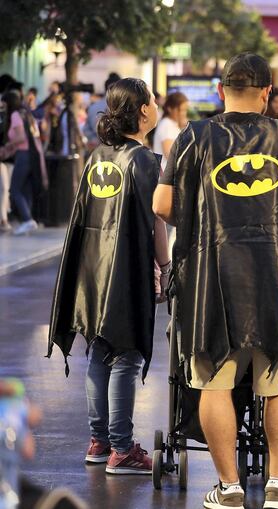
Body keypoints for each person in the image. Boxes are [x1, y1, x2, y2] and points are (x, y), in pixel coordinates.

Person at [153, 52, 278, 509]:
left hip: (211, 282)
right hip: (274, 281)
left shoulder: (194, 136)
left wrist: (205, 216)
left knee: (213, 382)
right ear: (268, 94)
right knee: (277, 383)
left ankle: (228, 489)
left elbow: (162, 203)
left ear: (219, 90)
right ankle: (277, 484)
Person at [48, 78, 169, 475]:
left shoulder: (98, 156)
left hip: (91, 268)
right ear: (141, 110)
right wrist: (166, 269)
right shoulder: (145, 161)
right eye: (151, 99)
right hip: (127, 268)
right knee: (128, 355)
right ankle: (121, 448)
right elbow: (157, 223)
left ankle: (99, 441)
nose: (156, 104)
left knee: (100, 349)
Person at [0, 90, 47, 235]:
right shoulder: (25, 113)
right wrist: (8, 151)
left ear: (8, 102)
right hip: (30, 154)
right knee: (25, 188)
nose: (1, 104)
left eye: (3, 101)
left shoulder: (15, 115)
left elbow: (20, 137)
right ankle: (28, 220)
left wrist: (7, 146)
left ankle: (27, 220)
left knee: (14, 189)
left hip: (23, 156)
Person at [152, 91, 188, 171]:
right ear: (170, 109)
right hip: (167, 177)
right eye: (180, 110)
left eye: (185, 110)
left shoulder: (172, 124)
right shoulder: (167, 125)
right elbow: (170, 154)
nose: (183, 114)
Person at [84, 73, 121, 150]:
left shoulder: (93, 107)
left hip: (97, 148)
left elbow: (86, 129)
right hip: (117, 149)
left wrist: (94, 139)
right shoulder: (122, 107)